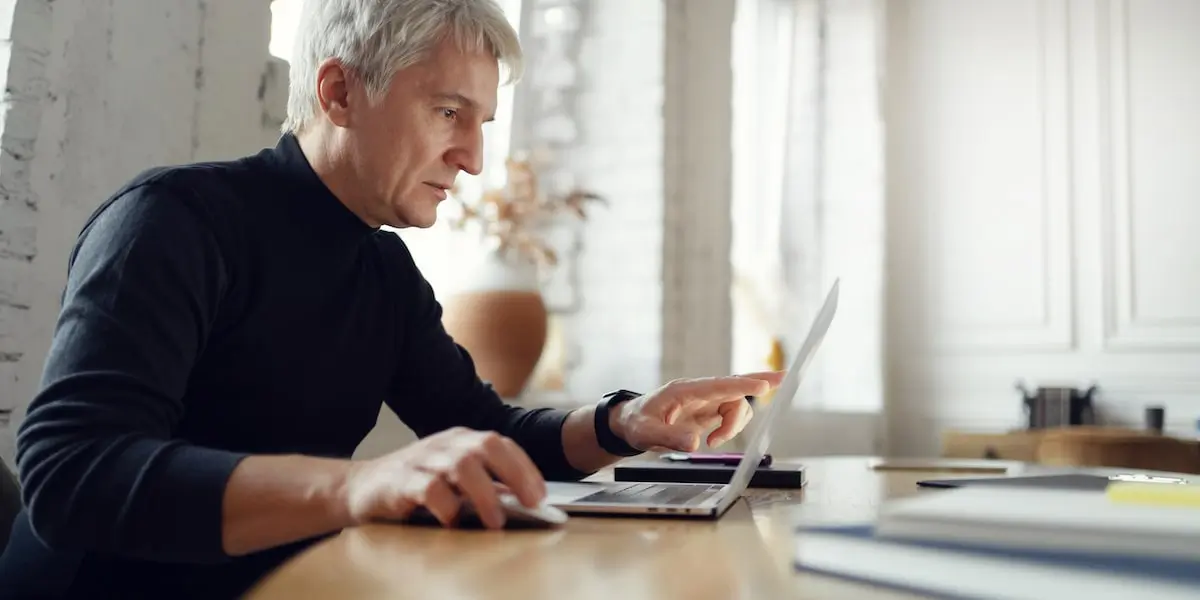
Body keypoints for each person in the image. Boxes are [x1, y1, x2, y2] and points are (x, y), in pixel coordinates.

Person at [0, 0, 782, 598]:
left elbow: (487, 433)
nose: (472, 159)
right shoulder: (171, 222)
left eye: (481, 124)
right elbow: (73, 472)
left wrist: (626, 422)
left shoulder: (382, 268)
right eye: (448, 112)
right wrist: (360, 486)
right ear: (339, 91)